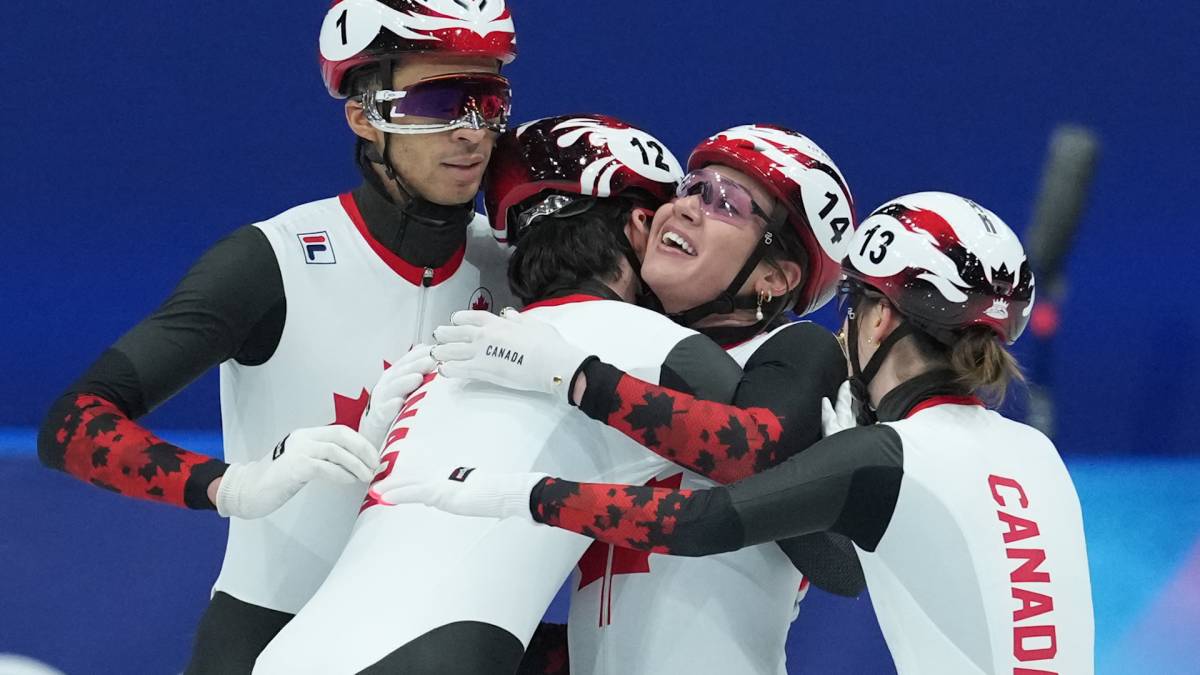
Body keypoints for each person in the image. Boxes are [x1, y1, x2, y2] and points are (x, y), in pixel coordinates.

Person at [383, 192, 1096, 675]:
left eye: (851, 310)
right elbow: (849, 564)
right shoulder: (1033, 453)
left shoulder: (883, 456)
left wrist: (517, 489)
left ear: (880, 317)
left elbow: (704, 521)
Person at [34, 1, 519, 671]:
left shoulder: (515, 265)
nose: (471, 132)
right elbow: (70, 426)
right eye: (438, 101)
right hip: (264, 639)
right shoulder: (274, 260)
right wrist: (231, 485)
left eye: (488, 101)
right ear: (363, 114)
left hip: (436, 643)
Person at [252, 113, 747, 674]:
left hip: (292, 653)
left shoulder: (444, 358)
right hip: (434, 657)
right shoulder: (655, 345)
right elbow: (797, 485)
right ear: (636, 226)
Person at [431, 124, 863, 674]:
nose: (685, 208)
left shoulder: (798, 349)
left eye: (726, 202)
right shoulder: (633, 348)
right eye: (691, 186)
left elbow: (752, 454)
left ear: (775, 278)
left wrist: (576, 377)